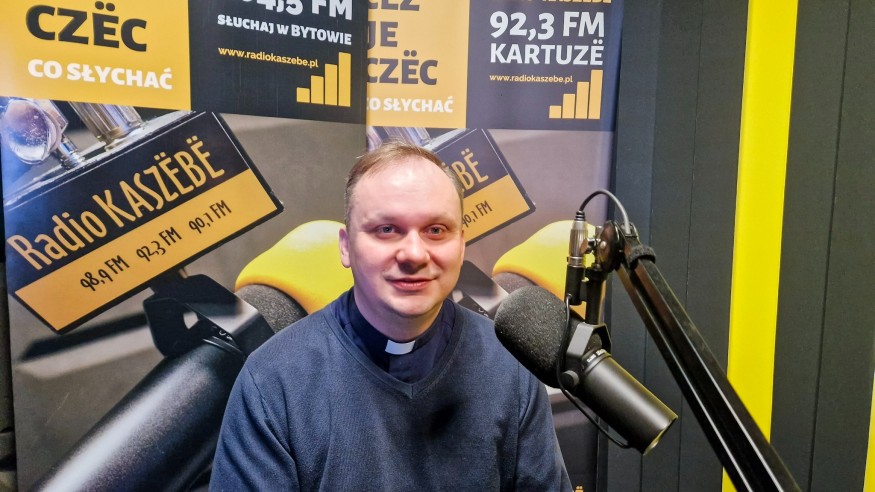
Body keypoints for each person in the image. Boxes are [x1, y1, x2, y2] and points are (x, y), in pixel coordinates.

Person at [210, 141, 571, 490]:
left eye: (435, 230)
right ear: (346, 246)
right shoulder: (273, 381)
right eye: (386, 229)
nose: (414, 253)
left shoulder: (509, 366)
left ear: (461, 245)